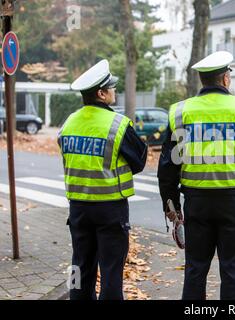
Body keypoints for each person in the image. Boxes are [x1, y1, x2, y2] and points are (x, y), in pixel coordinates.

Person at [158, 51, 235, 300]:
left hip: (196, 203)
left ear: (203, 80)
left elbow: (167, 167)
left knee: (195, 268)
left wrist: (172, 205)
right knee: (233, 269)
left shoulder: (180, 112)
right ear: (225, 79)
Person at [57, 60, 147, 300]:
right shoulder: (117, 124)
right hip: (110, 210)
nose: (114, 92)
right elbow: (139, 160)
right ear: (101, 93)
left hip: (78, 209)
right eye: (111, 88)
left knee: (79, 266)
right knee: (111, 270)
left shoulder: (68, 123)